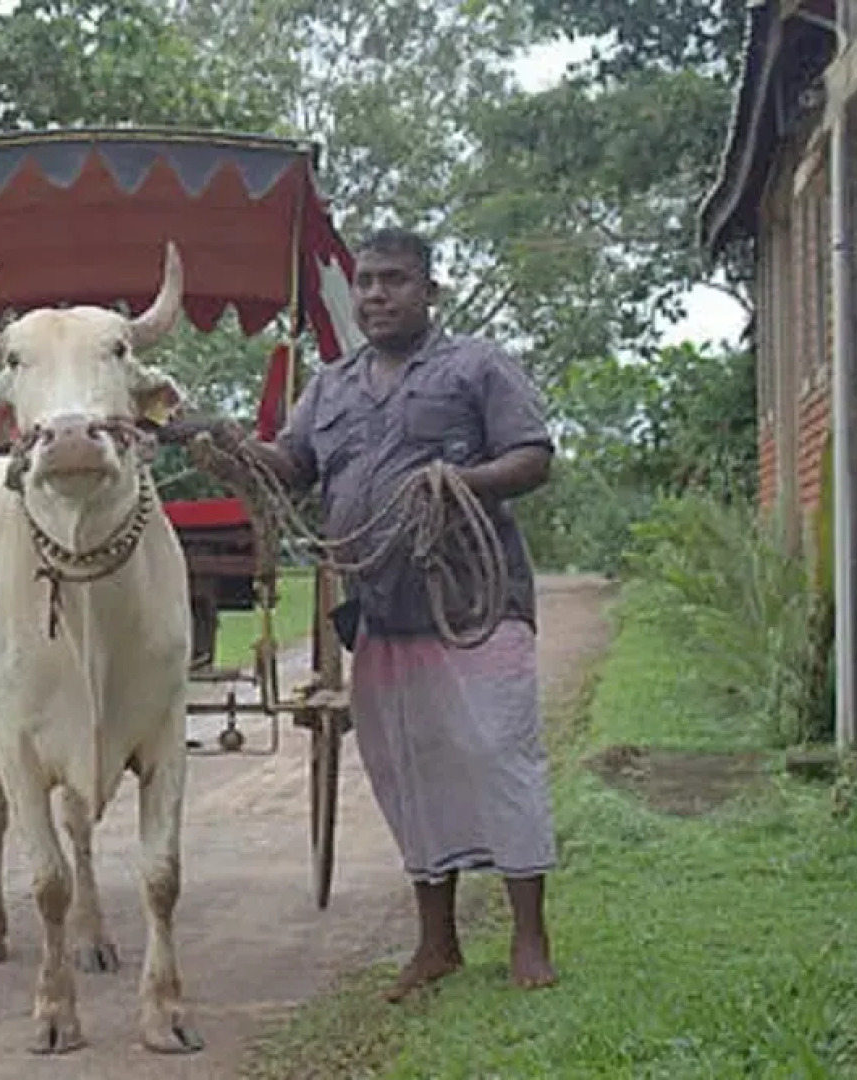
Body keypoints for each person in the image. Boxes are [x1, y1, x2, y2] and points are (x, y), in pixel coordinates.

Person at [237, 227, 559, 1000]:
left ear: (428, 292)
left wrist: (463, 481)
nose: (376, 295)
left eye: (393, 281)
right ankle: (435, 943)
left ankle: (528, 937)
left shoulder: (475, 366)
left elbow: (533, 455)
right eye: (366, 283)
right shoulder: (331, 385)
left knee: (495, 754)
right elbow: (294, 466)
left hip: (473, 604)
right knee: (407, 772)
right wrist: (233, 449)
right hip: (379, 609)